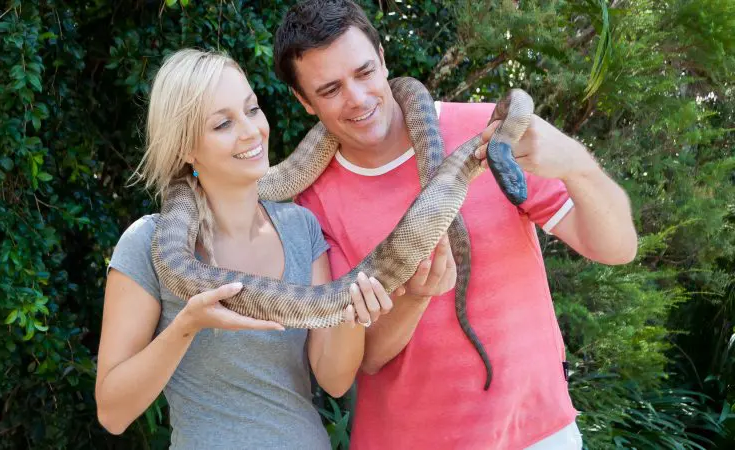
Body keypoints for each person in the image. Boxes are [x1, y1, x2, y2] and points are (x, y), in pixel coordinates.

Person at [273, 1, 639, 449]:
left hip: (537, 434)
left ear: (384, 59)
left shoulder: (488, 135)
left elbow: (618, 248)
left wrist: (577, 165)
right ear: (303, 102)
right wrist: (414, 298)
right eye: (330, 89)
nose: (358, 98)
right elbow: (359, 364)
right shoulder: (312, 203)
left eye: (365, 72)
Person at [94, 48, 395, 449]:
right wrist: (188, 324)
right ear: (186, 148)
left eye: (252, 110)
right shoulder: (152, 243)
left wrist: (353, 313)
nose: (251, 131)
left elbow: (334, 380)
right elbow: (113, 414)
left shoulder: (299, 227)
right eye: (223, 124)